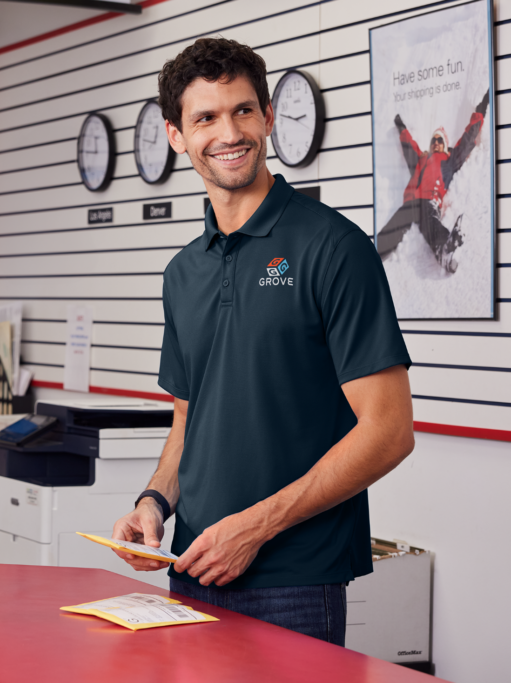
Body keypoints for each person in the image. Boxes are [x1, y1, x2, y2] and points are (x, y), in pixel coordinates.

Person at [110, 37, 415, 646]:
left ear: (268, 116)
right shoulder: (182, 273)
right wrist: (153, 504)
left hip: (296, 583)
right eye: (206, 118)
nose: (230, 132)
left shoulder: (333, 248)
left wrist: (254, 527)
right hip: (193, 572)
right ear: (176, 136)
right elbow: (187, 425)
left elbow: (389, 431)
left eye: (244, 110)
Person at [376, 91, 489, 273]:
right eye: (433, 140)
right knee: (396, 223)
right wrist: (401, 127)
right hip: (412, 202)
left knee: (430, 221)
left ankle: (444, 249)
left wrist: (481, 110)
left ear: (445, 144)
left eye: (439, 140)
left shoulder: (451, 160)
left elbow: (468, 139)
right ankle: (373, 254)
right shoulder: (421, 161)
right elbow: (409, 148)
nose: (436, 142)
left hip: (430, 201)